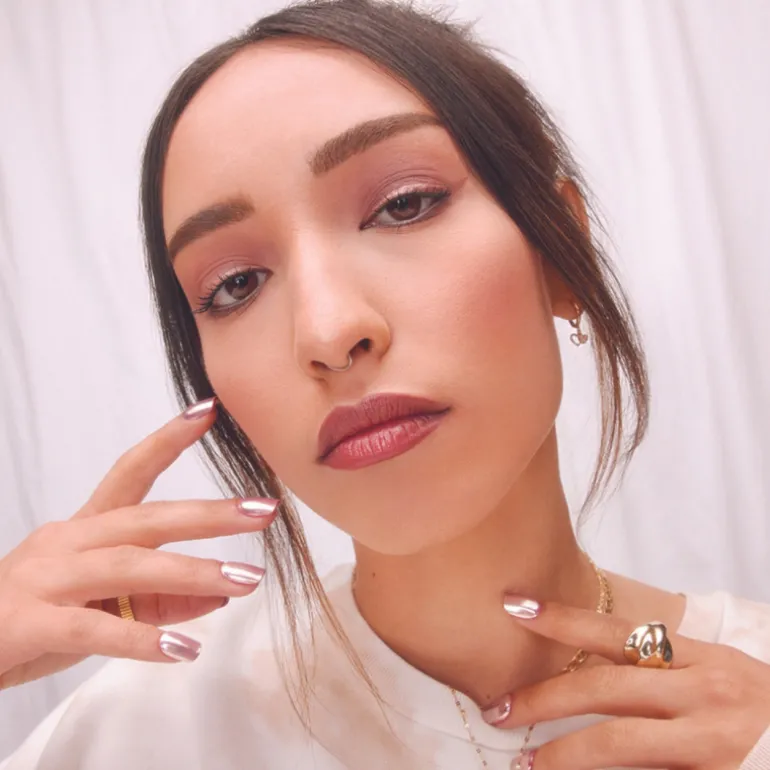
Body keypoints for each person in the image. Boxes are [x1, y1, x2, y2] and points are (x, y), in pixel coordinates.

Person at [1, 1, 769, 768]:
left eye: (404, 206)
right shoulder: (142, 729)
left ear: (562, 250)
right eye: (236, 285)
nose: (328, 332)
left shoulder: (752, 686)